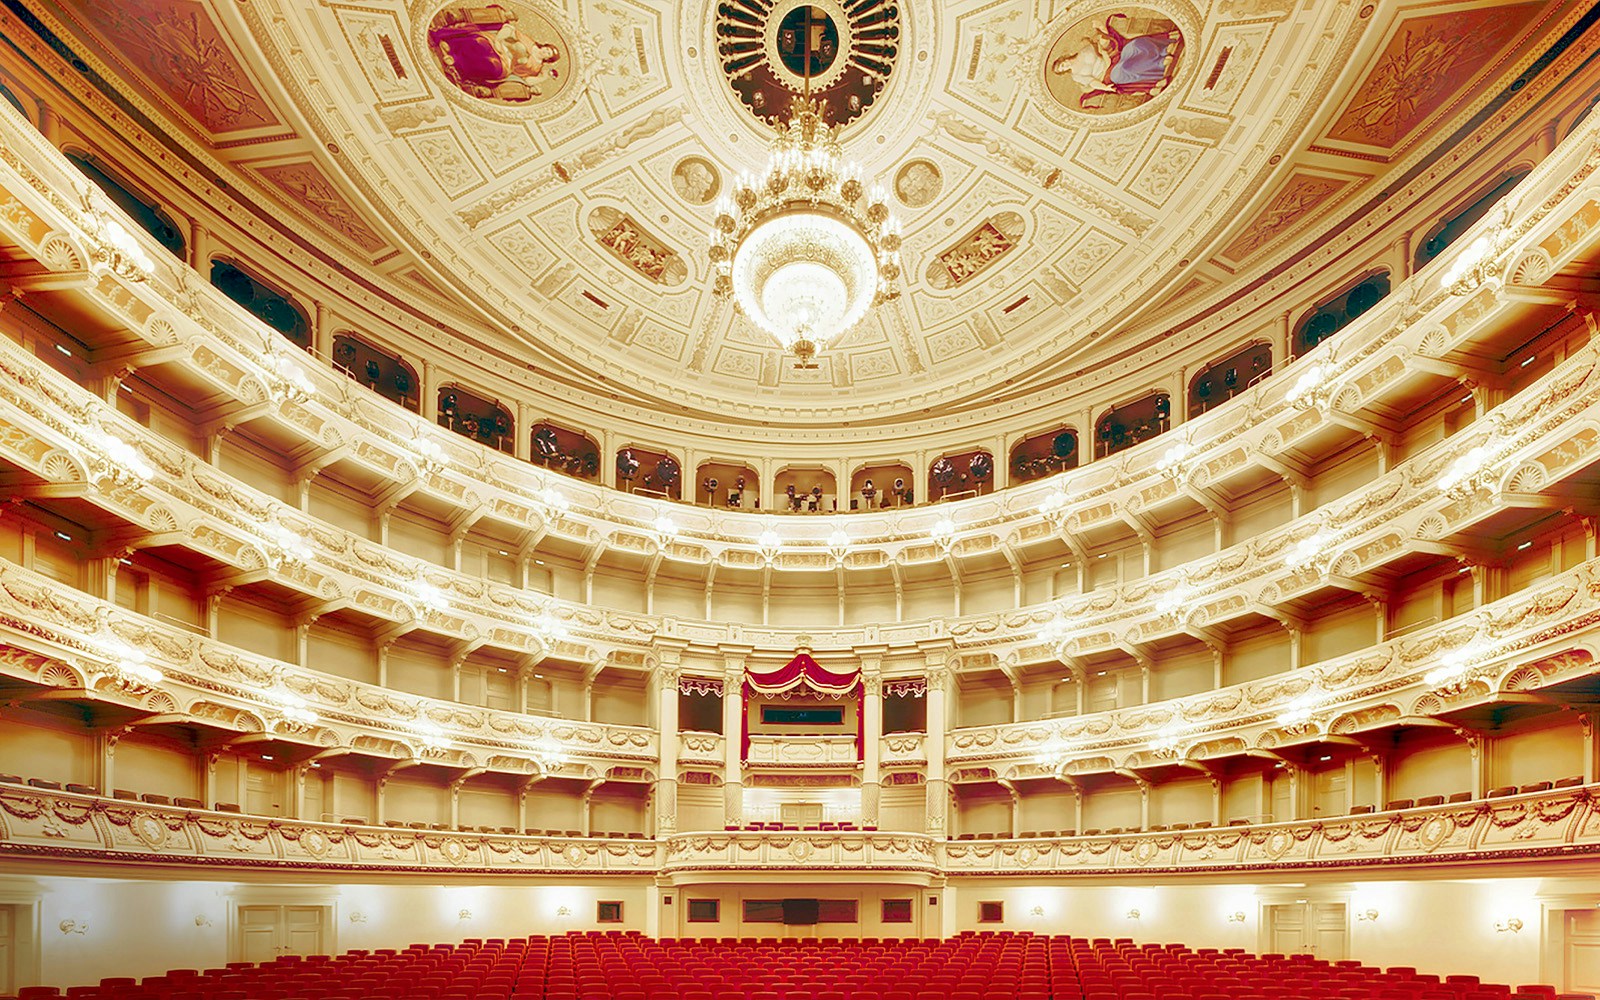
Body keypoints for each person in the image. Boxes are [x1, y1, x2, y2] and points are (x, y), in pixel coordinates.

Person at [1052, 14, 1181, 109]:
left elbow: (1105, 45)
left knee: (1134, 45)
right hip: (1107, 75)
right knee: (1121, 71)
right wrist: (1105, 87)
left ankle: (1164, 49)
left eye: (1062, 64)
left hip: (1113, 59)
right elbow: (1092, 82)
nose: (1065, 67)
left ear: (1064, 59)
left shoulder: (1083, 50)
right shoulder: (1076, 75)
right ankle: (1160, 65)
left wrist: (1102, 30)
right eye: (1062, 69)